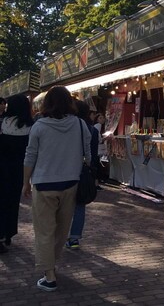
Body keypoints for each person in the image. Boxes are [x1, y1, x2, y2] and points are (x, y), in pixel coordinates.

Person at [22, 86, 91, 292]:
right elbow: (88, 154)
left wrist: (26, 182)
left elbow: (30, 155)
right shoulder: (80, 125)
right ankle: (51, 265)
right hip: (71, 183)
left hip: (43, 184)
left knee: (44, 231)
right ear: (69, 102)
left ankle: (49, 274)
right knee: (61, 231)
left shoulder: (39, 126)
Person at [0, 94, 34, 254]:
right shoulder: (30, 126)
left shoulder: (3, 123)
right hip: (20, 170)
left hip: (2, 169)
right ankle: (9, 233)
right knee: (13, 202)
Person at [65, 100, 99, 249]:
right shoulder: (92, 130)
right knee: (79, 204)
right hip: (83, 171)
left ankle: (61, 236)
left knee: (64, 204)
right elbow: (93, 154)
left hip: (67, 170)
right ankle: (74, 238)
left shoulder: (68, 126)